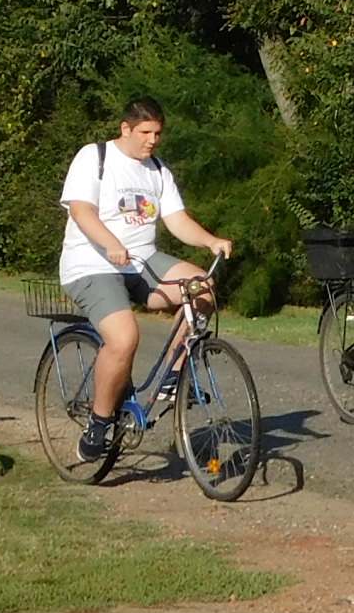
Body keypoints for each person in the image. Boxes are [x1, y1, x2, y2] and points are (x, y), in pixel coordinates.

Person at [58, 97, 234, 465]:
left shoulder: (157, 169)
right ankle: (98, 424)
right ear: (125, 128)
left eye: (157, 133)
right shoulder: (94, 157)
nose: (152, 140)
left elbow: (177, 220)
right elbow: (81, 210)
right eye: (145, 132)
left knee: (202, 287)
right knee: (124, 338)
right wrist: (111, 243)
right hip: (92, 264)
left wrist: (210, 240)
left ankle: (172, 378)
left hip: (141, 262)